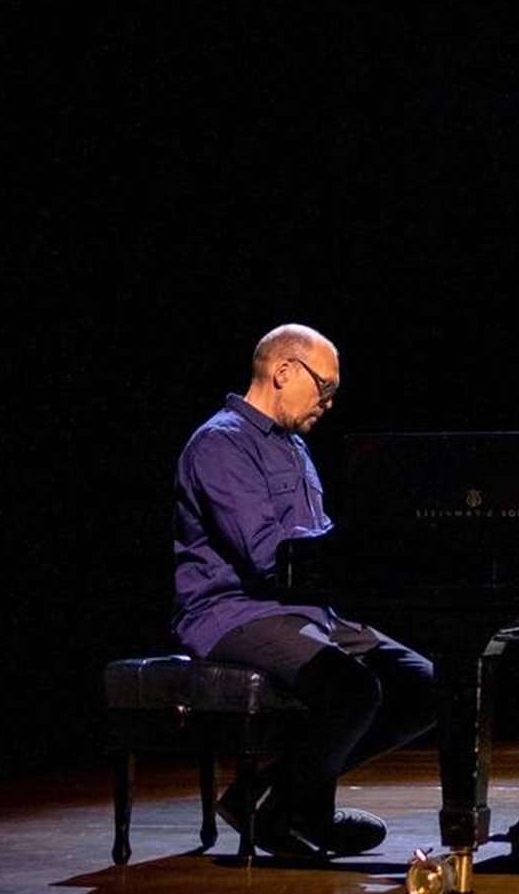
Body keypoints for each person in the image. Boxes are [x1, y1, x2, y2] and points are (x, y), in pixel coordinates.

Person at [170, 323, 435, 858]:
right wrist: (350, 545)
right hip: (234, 613)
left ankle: (275, 795)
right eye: (325, 386)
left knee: (426, 686)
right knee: (352, 688)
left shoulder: (294, 447)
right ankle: (290, 813)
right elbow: (266, 553)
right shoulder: (220, 444)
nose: (329, 402)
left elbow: (316, 541)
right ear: (283, 371)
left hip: (304, 610)